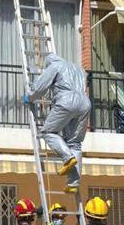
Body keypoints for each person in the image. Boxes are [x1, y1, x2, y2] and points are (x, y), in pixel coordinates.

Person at [24, 53, 91, 195]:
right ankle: (73, 183)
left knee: (48, 132)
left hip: (66, 101)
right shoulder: (79, 70)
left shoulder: (55, 66)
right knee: (75, 143)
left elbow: (41, 87)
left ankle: (67, 157)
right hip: (84, 103)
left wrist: (30, 96)